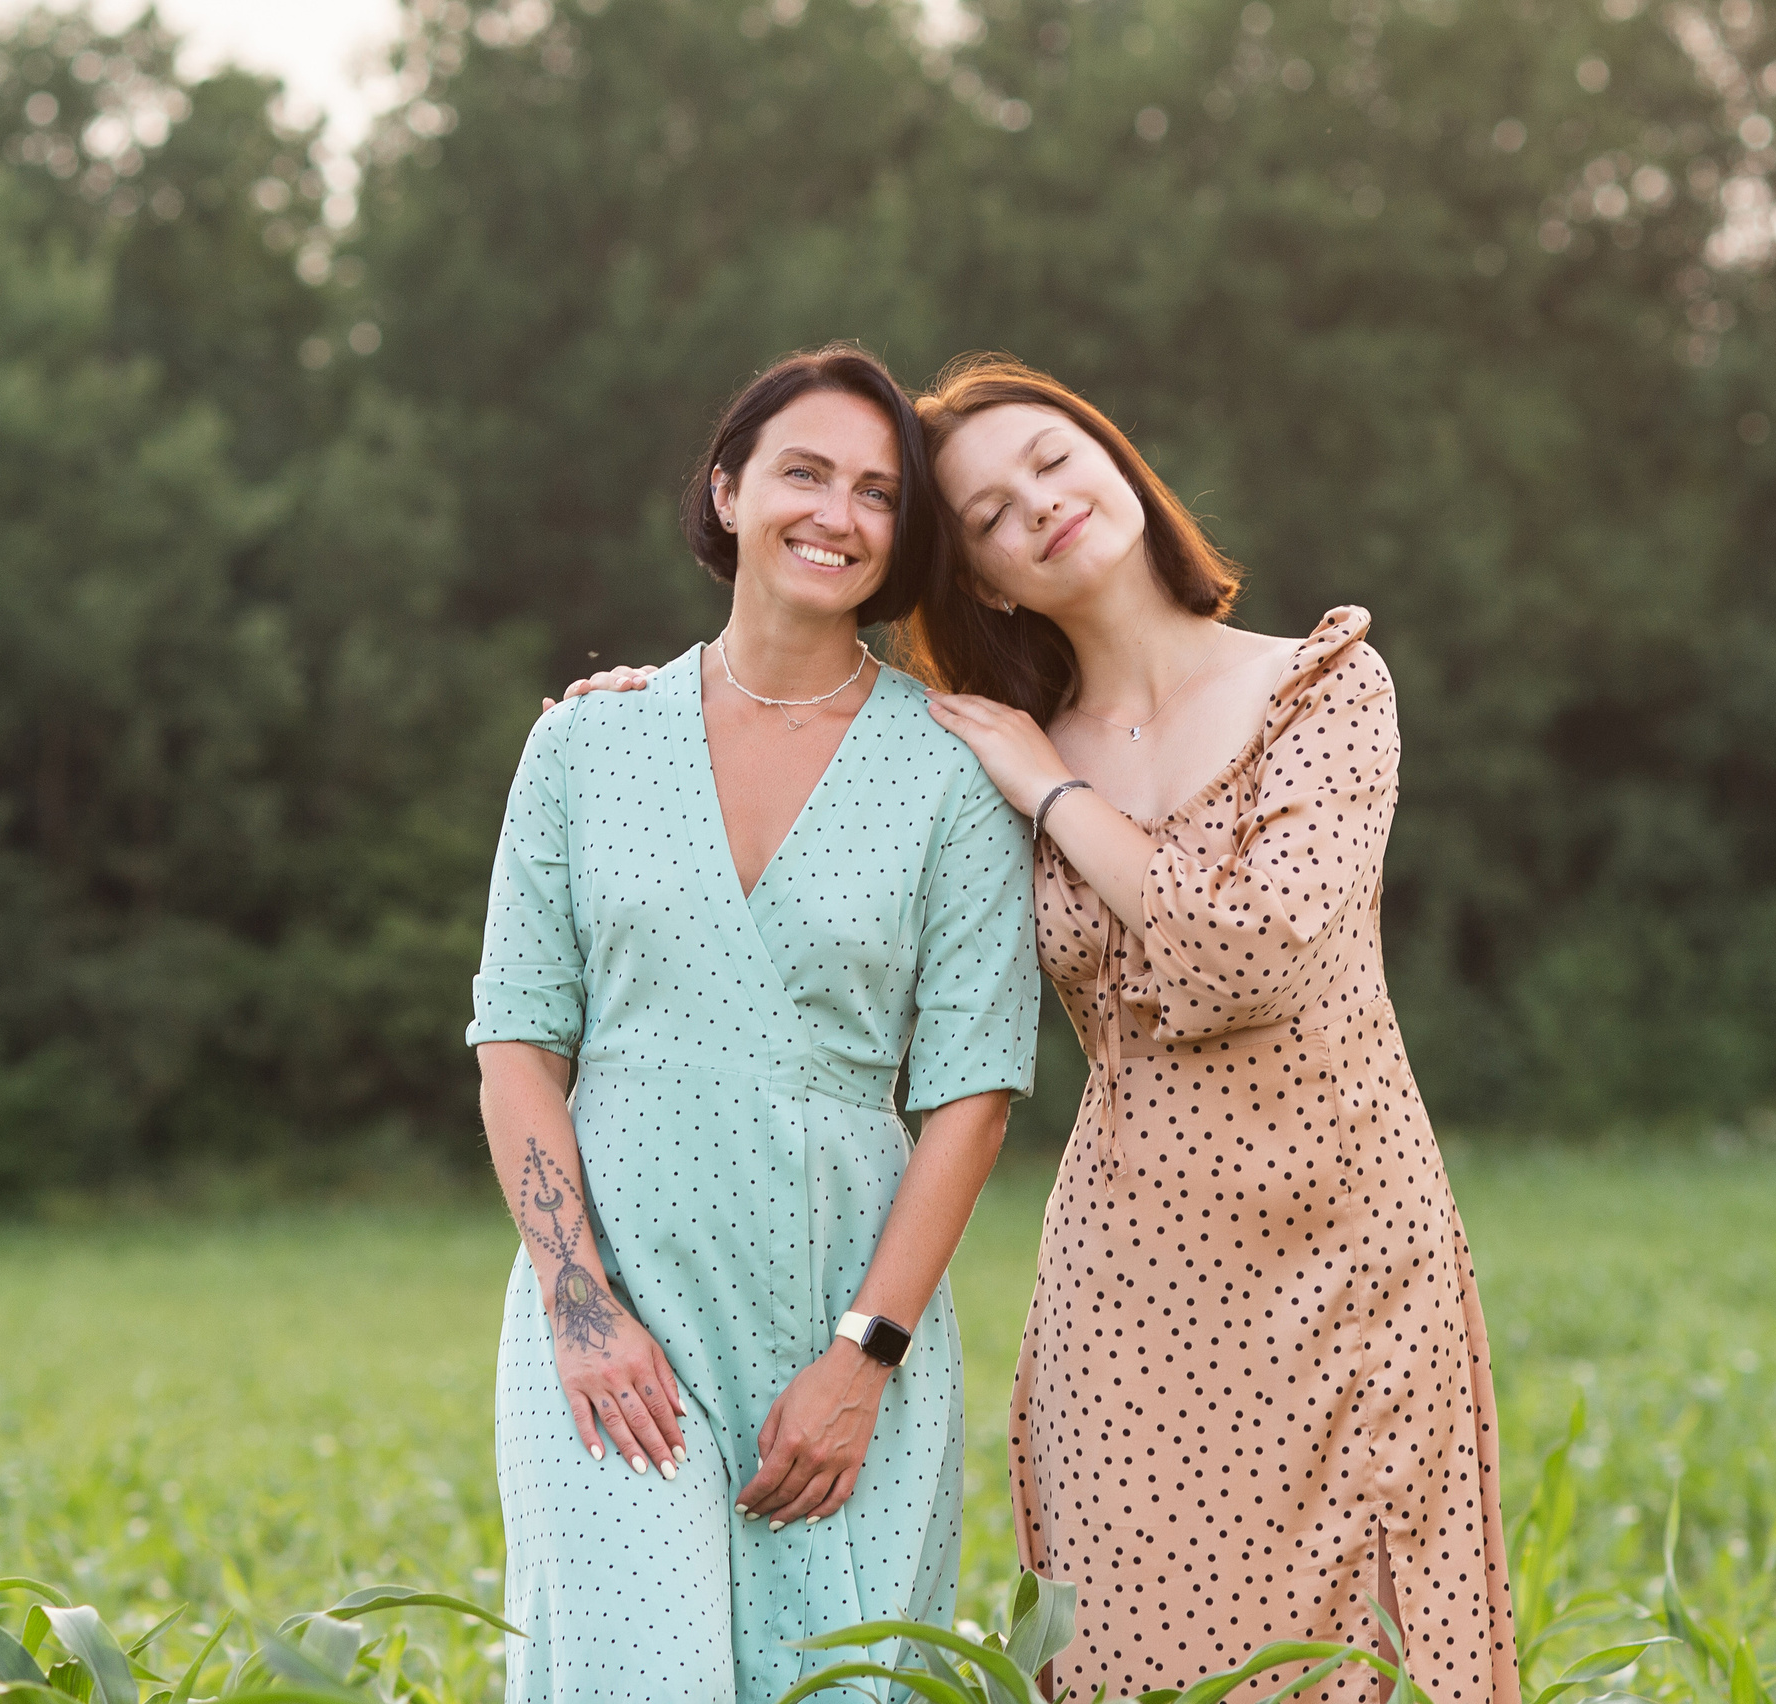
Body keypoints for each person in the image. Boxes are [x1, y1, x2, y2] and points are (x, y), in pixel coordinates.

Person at [551, 352, 1517, 1704]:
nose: (1036, 508)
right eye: (990, 516)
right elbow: (811, 775)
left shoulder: (1322, 686)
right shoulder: (979, 748)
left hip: (1345, 1248)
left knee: (1366, 1657)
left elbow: (1257, 952)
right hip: (1121, 1280)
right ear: (983, 579)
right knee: (1130, 1657)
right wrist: (633, 722)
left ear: (1116, 461)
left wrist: (1054, 793)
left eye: (1052, 462)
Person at [470, 343, 1041, 1704]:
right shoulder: (584, 746)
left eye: (877, 493)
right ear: (728, 490)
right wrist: (578, 1299)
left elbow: (970, 1096)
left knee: (825, 1684)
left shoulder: (950, 769)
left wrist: (865, 1358)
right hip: (610, 1325)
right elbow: (516, 1044)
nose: (835, 514)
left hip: (839, 1323)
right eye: (803, 473)